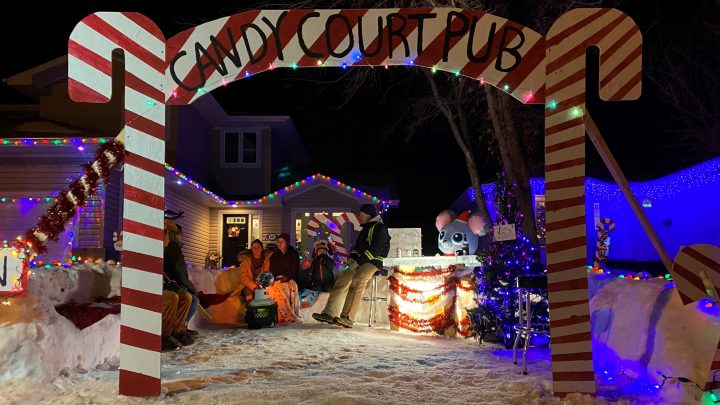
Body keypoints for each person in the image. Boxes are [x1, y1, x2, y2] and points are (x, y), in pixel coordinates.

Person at [312, 204, 390, 328]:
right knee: (342, 280)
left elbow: (375, 250)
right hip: (359, 261)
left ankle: (347, 317)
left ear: (368, 216)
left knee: (357, 282)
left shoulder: (380, 228)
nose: (359, 217)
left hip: (372, 262)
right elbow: (357, 248)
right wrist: (352, 258)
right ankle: (329, 313)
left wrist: (358, 262)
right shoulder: (365, 229)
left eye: (361, 215)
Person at [162, 217, 195, 350]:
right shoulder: (158, 247)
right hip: (152, 286)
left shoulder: (170, 248)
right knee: (172, 297)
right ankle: (164, 336)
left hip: (166, 283)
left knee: (187, 297)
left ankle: (175, 331)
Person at [266, 233, 301, 324]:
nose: (279, 243)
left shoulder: (293, 254)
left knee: (283, 289)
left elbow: (294, 270)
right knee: (270, 289)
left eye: (282, 241)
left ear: (287, 242)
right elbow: (272, 270)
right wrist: (274, 279)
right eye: (278, 241)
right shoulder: (274, 256)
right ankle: (274, 314)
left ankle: (285, 314)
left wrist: (286, 278)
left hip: (289, 279)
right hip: (277, 279)